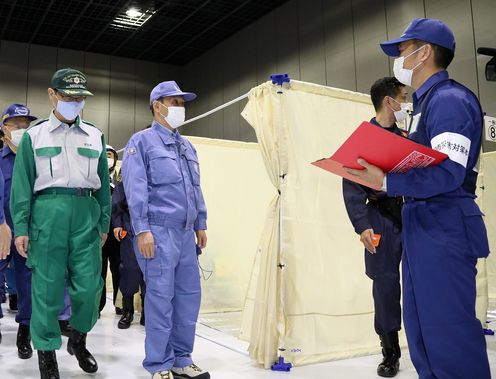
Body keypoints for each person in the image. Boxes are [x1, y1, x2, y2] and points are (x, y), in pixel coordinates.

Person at [347, 18, 491, 379]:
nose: (399, 59)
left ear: (424, 52)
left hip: (444, 224)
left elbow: (448, 173)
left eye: (403, 51)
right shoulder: (425, 107)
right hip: (421, 224)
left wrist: (386, 181)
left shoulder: (450, 101)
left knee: (448, 331)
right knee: (422, 329)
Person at [11, 68, 111, 379]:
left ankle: (78, 339)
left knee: (89, 288)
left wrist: (104, 223)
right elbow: (22, 185)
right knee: (47, 289)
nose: (75, 102)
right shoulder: (34, 136)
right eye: (69, 97)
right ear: (52, 95)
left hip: (86, 212)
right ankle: (46, 355)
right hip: (47, 212)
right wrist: (22, 228)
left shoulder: (95, 135)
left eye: (80, 98)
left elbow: (105, 187)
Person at [122, 81, 209, 379]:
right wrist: (142, 230)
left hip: (186, 235)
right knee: (160, 297)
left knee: (188, 296)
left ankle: (182, 359)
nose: (180, 109)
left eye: (182, 103)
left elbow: (195, 188)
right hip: (157, 233)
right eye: (174, 102)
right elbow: (136, 191)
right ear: (157, 106)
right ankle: (159, 363)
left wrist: (201, 223)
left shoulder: (187, 146)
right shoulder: (141, 142)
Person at [343, 77, 408, 377]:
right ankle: (390, 352)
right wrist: (362, 226)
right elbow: (352, 185)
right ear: (388, 102)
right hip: (380, 218)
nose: (406, 103)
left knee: (420, 282)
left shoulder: (409, 136)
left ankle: (426, 345)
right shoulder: (363, 139)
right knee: (385, 286)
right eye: (403, 97)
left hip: (412, 217)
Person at [0, 104, 74, 360]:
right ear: (4, 129)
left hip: (29, 234)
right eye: (15, 125)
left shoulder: (40, 159)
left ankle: (25, 330)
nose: (21, 129)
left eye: (25, 125)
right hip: (2, 229)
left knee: (28, 283)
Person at [112, 168, 146, 329]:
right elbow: (117, 198)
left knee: (149, 273)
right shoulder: (128, 168)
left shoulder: (157, 167)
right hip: (130, 226)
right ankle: (128, 311)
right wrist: (117, 225)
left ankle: (147, 312)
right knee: (129, 270)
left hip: (153, 227)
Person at [99, 145, 121, 316]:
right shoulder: (95, 179)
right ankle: (96, 306)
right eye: (104, 155)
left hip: (118, 233)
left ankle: (120, 304)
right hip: (99, 232)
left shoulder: (121, 180)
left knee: (118, 268)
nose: (107, 158)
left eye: (110, 155)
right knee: (98, 270)